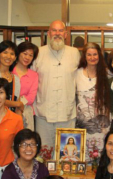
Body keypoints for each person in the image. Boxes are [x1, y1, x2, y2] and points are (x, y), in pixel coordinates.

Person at [32, 20, 81, 151]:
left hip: (68, 114)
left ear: (65, 34)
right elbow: (30, 79)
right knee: (44, 153)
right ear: (49, 33)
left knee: (67, 156)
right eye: (54, 30)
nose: (57, 33)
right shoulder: (38, 53)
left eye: (60, 31)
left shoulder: (74, 53)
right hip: (44, 114)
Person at [75, 42, 111, 163]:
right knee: (83, 155)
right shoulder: (77, 73)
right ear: (84, 56)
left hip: (101, 123)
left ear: (99, 55)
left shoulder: (107, 73)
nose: (92, 57)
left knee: (100, 155)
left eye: (95, 54)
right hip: (82, 122)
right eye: (89, 54)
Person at [0, 40, 23, 115]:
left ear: (15, 58)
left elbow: (17, 100)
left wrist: (19, 120)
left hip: (11, 118)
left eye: (12, 54)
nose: (8, 56)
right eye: (5, 52)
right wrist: (18, 104)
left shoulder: (16, 78)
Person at [13, 41, 40, 130]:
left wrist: (16, 102)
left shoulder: (34, 75)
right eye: (25, 54)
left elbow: (31, 98)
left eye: (31, 55)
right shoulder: (9, 72)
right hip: (7, 111)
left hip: (26, 112)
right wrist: (16, 103)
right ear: (18, 53)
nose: (27, 57)